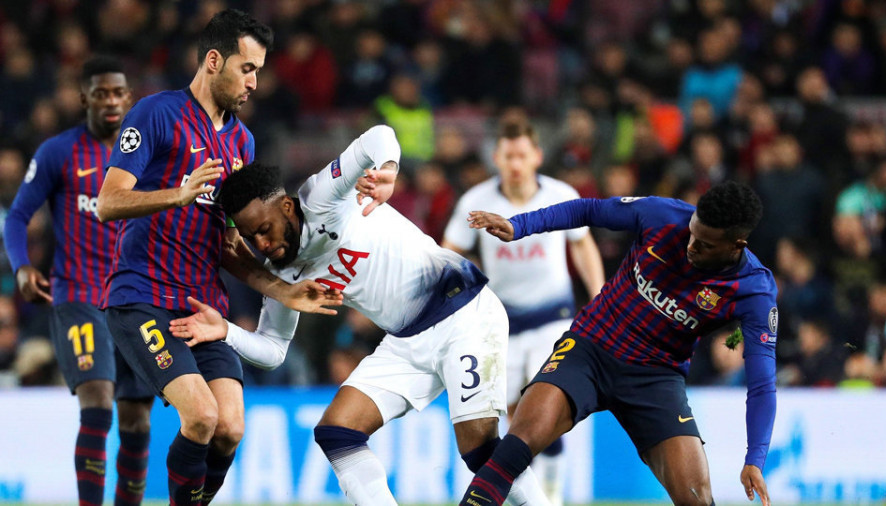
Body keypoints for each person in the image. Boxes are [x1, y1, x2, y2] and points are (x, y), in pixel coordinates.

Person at [168, 125, 550, 506]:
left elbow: (379, 136)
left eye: (265, 229)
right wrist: (226, 332)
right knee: (337, 431)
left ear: (286, 207)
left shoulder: (322, 197)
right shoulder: (282, 275)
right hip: (406, 339)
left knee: (479, 450)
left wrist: (388, 170)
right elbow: (273, 350)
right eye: (252, 238)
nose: (263, 244)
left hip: (463, 312)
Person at [95, 10, 335, 505]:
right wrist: (176, 195)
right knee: (200, 417)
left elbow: (227, 246)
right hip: (142, 298)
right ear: (212, 61)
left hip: (203, 310)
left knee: (229, 428)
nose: (254, 83)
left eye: (259, 72)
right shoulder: (156, 114)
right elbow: (108, 202)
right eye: (246, 69)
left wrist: (281, 289)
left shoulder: (241, 143)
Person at [458, 181, 777, 506]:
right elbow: (588, 209)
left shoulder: (753, 291)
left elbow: (763, 384)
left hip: (656, 378)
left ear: (737, 244)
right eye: (693, 232)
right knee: (516, 446)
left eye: (706, 244)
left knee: (697, 499)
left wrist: (755, 459)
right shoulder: (662, 215)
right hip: (590, 348)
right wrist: (519, 225)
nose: (691, 246)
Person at [3, 56, 155, 506]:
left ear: (129, 100)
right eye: (101, 93)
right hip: (79, 296)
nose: (110, 101)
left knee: (136, 423)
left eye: (118, 93)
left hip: (134, 302)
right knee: (97, 400)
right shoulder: (58, 152)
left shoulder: (145, 154)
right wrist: (21, 265)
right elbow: (17, 216)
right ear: (84, 98)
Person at [442, 121, 605, 504]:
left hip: (555, 317)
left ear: (537, 157)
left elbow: (583, 245)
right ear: (496, 158)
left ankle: (552, 493)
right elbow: (449, 253)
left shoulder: (561, 194)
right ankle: (530, 493)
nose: (515, 163)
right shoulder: (476, 201)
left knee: (544, 404)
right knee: (513, 419)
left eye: (522, 155)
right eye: (508, 155)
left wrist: (598, 295)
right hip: (501, 325)